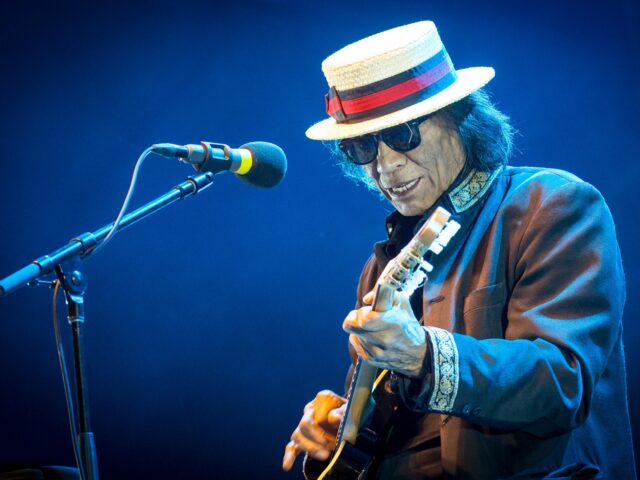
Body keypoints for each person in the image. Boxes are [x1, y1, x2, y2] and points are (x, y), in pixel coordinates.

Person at [282, 21, 636, 479]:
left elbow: (562, 379)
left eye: (404, 134)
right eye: (363, 146)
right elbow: (374, 432)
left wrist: (423, 356)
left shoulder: (551, 204)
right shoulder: (379, 268)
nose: (385, 165)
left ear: (459, 117)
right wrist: (338, 430)